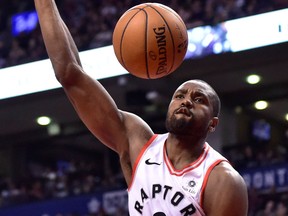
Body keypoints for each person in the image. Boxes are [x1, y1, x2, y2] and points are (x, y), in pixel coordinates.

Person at [34, 0, 248, 215]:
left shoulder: (222, 180)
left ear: (213, 124)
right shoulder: (139, 145)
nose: (186, 101)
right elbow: (70, 74)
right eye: (180, 95)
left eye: (199, 99)